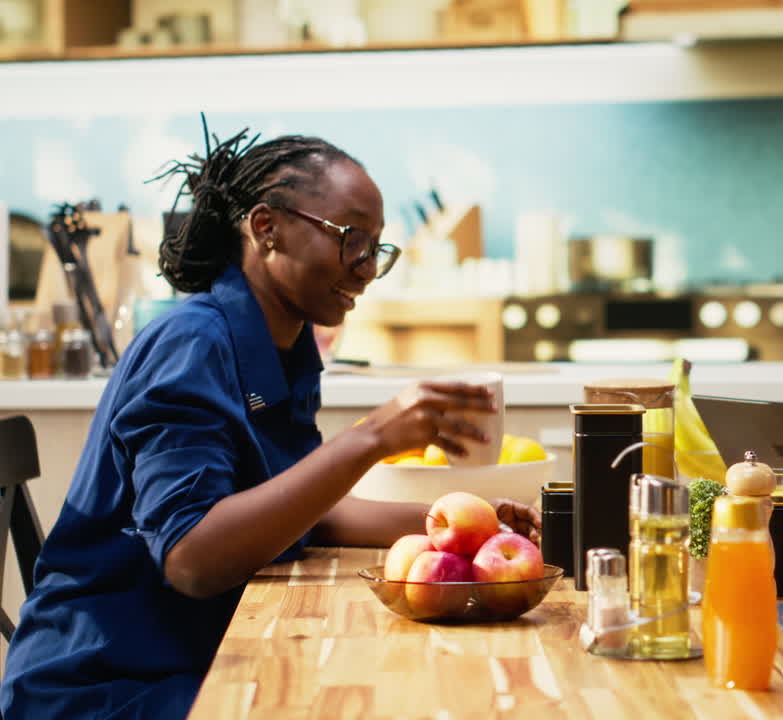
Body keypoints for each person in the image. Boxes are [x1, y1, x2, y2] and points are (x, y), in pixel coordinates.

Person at [0, 124, 541, 717]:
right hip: (108, 685)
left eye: (375, 248)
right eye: (350, 238)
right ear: (266, 229)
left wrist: (463, 533)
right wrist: (371, 438)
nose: (364, 268)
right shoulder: (194, 346)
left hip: (192, 657)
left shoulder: (282, 345)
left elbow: (295, 509)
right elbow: (191, 559)